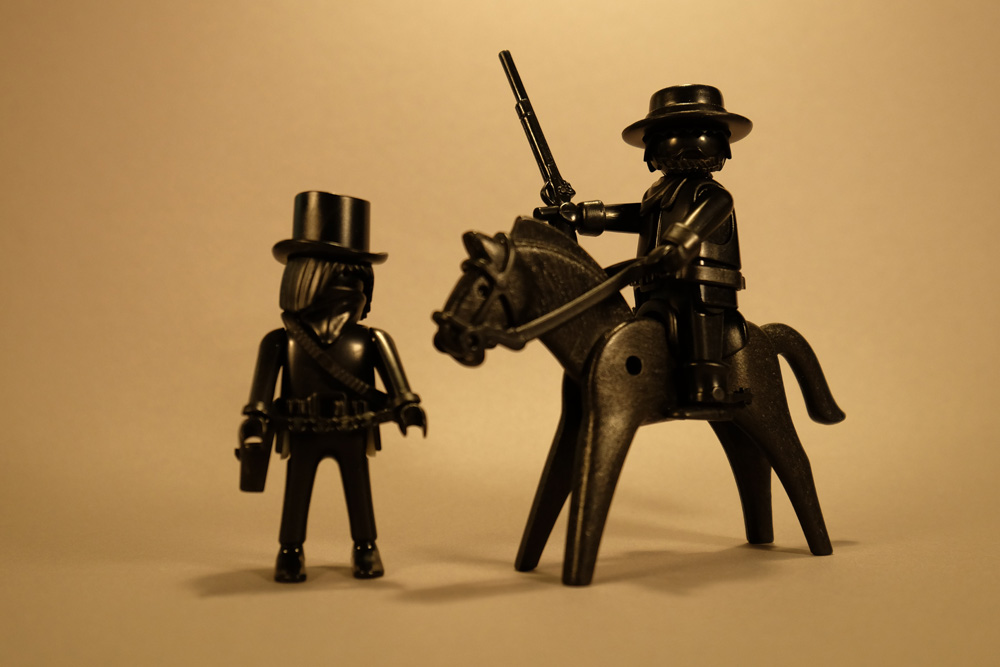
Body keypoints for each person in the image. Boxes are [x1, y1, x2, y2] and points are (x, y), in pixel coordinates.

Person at [238, 191, 426, 583]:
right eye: (343, 276)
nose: (354, 287)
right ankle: (290, 549)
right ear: (306, 278)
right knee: (297, 490)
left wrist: (407, 407)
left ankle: (365, 546)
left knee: (358, 490)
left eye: (360, 279)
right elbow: (260, 394)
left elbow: (399, 387)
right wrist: (255, 420)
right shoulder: (281, 341)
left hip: (353, 426)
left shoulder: (372, 339)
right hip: (302, 427)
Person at [536, 85, 752, 413]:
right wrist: (582, 215)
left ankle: (710, 386)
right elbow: (635, 216)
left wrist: (675, 246)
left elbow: (696, 225)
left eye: (701, 135)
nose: (688, 147)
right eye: (672, 137)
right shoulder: (657, 193)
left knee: (697, 322)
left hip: (700, 285)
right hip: (653, 284)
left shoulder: (714, 194)